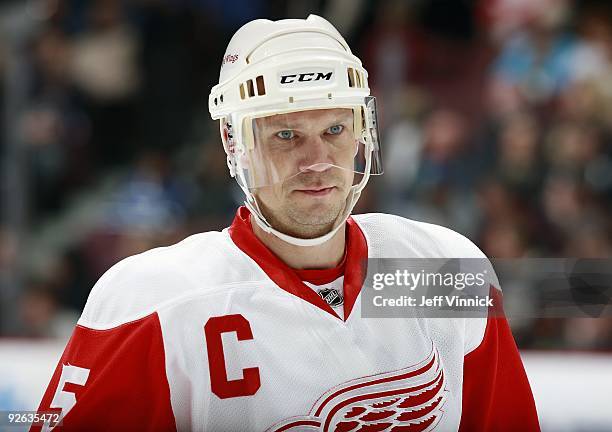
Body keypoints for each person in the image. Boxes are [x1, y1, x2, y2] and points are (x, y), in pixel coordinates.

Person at [32, 15, 539, 431]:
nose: (318, 161)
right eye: (287, 135)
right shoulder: (155, 300)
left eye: (335, 129)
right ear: (235, 145)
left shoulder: (440, 269)